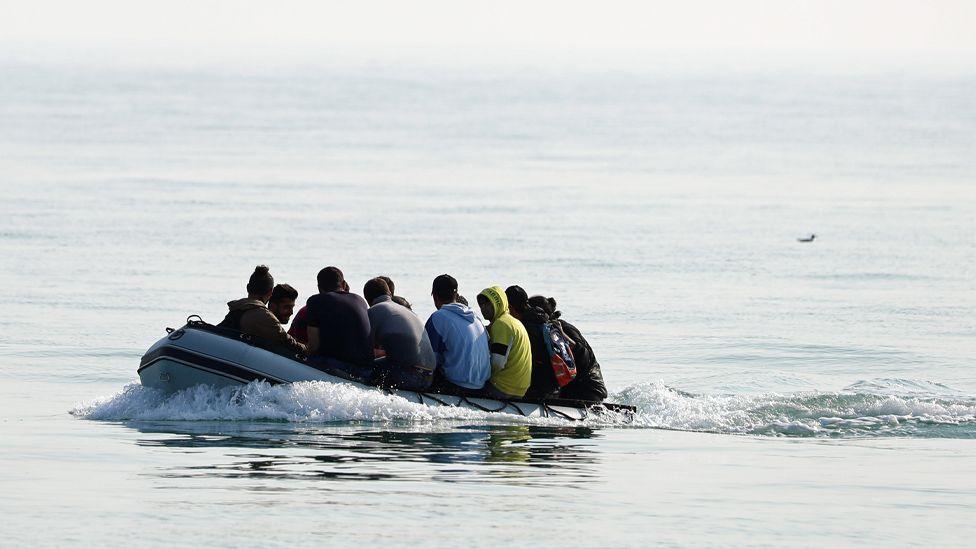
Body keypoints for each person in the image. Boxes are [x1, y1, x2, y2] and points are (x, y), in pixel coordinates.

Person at [528, 295, 607, 402]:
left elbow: (584, 357)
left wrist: (562, 334)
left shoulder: (563, 328)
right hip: (570, 386)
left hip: (589, 389)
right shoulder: (543, 331)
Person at [363, 277, 436, 390]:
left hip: (409, 376)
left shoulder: (374, 311)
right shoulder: (407, 311)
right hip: (429, 378)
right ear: (389, 293)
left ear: (367, 300)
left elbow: (364, 350)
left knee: (360, 368)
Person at [424, 274, 491, 393]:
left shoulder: (438, 317)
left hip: (457, 386)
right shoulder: (476, 318)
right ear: (456, 295)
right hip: (482, 386)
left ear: (434, 296)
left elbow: (428, 361)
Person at [305, 266, 374, 380]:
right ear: (343, 284)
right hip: (366, 370)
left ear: (319, 288)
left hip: (337, 367)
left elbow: (314, 345)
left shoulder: (315, 301)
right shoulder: (360, 300)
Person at [217, 265, 306, 353]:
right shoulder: (264, 317)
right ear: (270, 292)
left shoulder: (236, 309)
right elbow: (288, 342)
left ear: (248, 287)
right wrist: (307, 348)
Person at [476, 286, 531, 399]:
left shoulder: (501, 324)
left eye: (487, 303)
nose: (482, 308)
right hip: (520, 389)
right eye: (480, 304)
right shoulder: (513, 321)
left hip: (502, 387)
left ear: (498, 304)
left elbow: (497, 363)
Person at [505, 285, 559, 399]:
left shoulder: (525, 327)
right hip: (555, 386)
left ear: (510, 307)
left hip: (539, 389)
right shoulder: (540, 318)